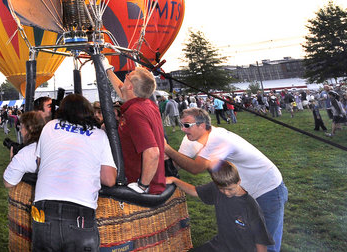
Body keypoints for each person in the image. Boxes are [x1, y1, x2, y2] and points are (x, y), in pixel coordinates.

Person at [164, 107, 287, 252]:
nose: (182, 129)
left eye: (186, 125)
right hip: (237, 191)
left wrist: (167, 149)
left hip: (267, 189)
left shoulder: (218, 138)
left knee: (265, 244)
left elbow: (196, 168)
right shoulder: (190, 139)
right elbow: (178, 163)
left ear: (202, 125)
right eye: (181, 125)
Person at [30, 94, 117, 251]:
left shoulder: (49, 127)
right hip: (80, 211)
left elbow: (40, 163)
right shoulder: (98, 135)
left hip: (44, 209)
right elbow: (109, 179)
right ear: (88, 111)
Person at [168, 160, 273, 251]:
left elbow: (261, 240)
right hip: (220, 245)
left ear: (239, 181)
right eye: (222, 189)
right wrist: (175, 180)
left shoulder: (250, 206)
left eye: (230, 189)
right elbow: (195, 191)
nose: (226, 193)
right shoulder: (216, 188)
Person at [104, 64, 166, 194]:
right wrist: (108, 70)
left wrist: (142, 186)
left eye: (127, 76)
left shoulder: (135, 112)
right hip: (152, 182)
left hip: (140, 186)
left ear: (130, 86)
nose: (125, 77)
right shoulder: (147, 104)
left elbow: (152, 152)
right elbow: (122, 90)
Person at [2, 111, 45, 188]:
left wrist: (12, 160)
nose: (20, 130)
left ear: (30, 129)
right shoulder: (52, 145)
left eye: (21, 127)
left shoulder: (24, 154)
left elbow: (8, 182)